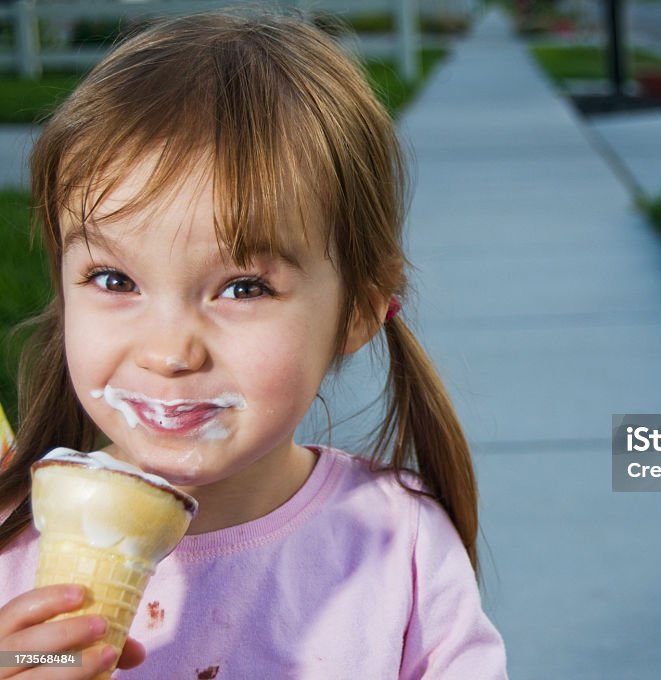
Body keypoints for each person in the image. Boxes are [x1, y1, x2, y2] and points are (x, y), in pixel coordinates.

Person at [0, 11, 508, 679]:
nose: (169, 351)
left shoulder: (396, 547)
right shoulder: (14, 547)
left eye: (243, 288)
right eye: (114, 279)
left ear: (359, 308)